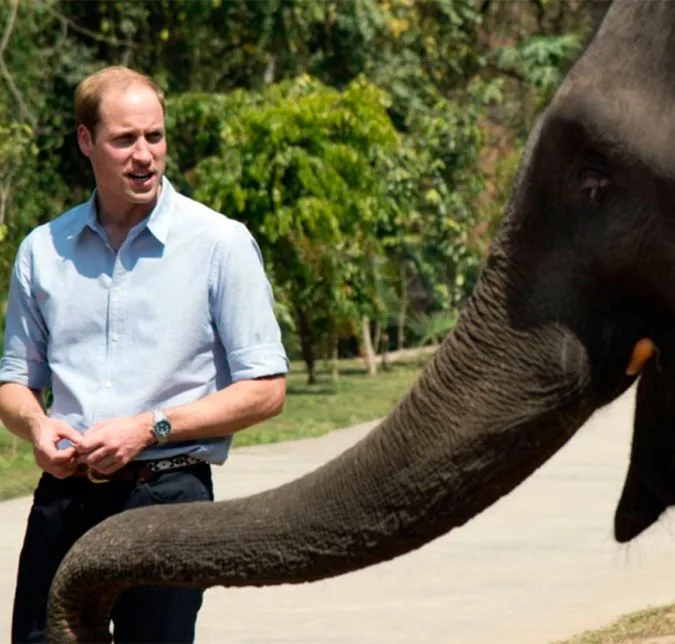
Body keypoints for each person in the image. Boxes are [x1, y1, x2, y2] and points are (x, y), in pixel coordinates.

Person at [0, 65, 288, 644]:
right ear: (87, 141)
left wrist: (150, 427)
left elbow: (266, 389)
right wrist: (36, 426)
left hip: (170, 496)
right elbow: (13, 383)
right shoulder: (42, 251)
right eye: (124, 139)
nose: (144, 156)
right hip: (65, 497)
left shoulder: (219, 244)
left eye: (154, 137)